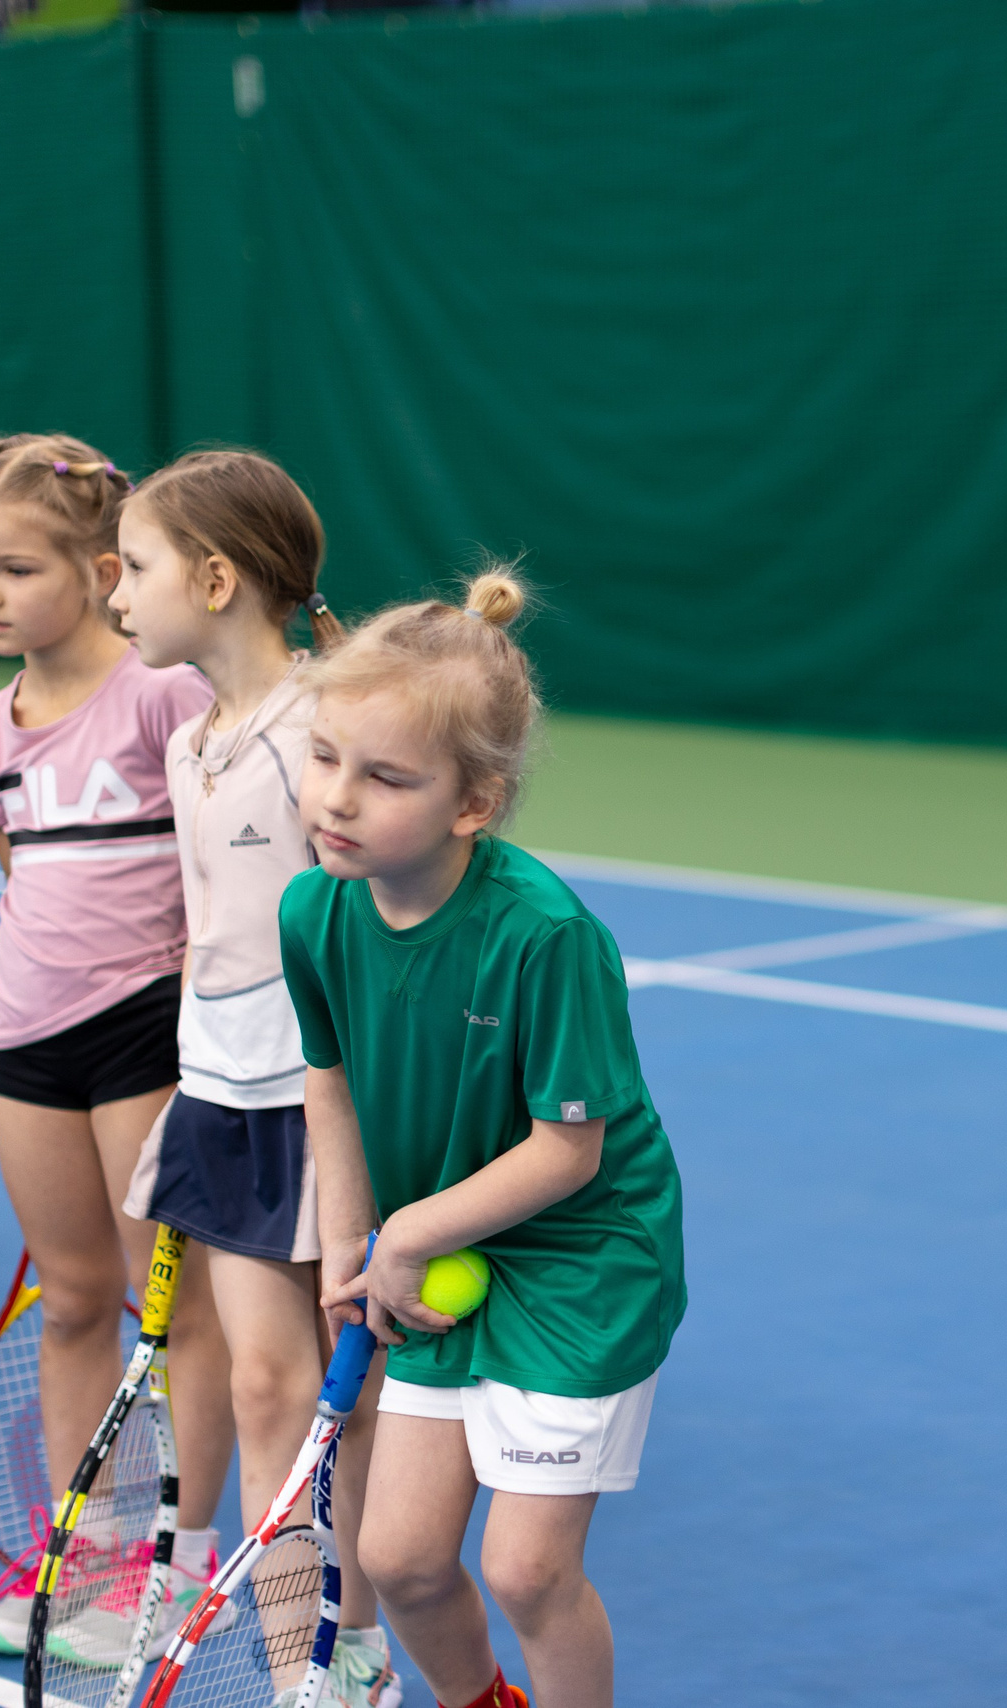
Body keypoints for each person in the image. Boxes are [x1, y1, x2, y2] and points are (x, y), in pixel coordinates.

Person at [287, 570, 687, 1708]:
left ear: (475, 801)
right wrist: (343, 1242)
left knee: (524, 1568)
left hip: (579, 1263)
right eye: (325, 757)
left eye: (385, 776)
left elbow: (570, 1152)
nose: (338, 800)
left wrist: (407, 1232)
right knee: (401, 1559)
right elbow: (331, 1081)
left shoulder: (547, 935)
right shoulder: (312, 911)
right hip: (436, 1247)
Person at [103, 448, 400, 1708]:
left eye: (134, 565)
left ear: (215, 578)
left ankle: (358, 1636)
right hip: (220, 1097)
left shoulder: (318, 735)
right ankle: (307, 1675)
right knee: (264, 1380)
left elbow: (374, 925)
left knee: (342, 1397)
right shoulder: (194, 739)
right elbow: (212, 933)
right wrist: (190, 1077)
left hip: (323, 1107)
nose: (115, 590)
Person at [0, 434, 234, 1661]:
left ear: (103, 567)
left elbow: (222, 859)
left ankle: (178, 1556)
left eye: (15, 566)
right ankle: (86, 1550)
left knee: (176, 1312)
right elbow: (23, 883)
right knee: (72, 1299)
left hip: (146, 1035)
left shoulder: (164, 694)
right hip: (28, 1038)